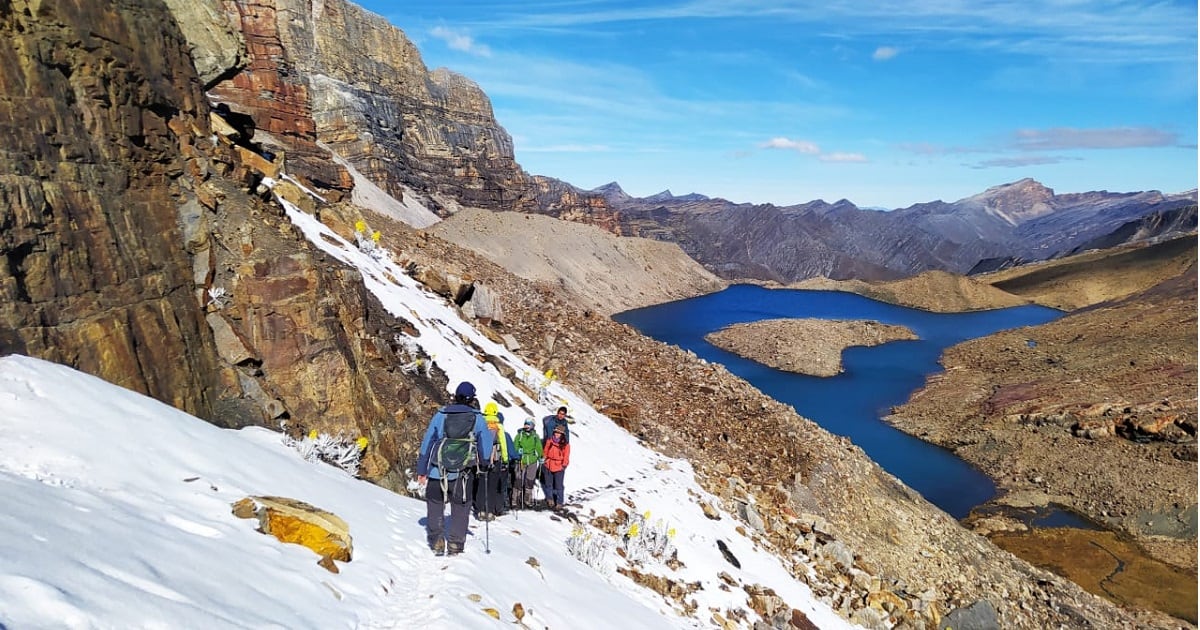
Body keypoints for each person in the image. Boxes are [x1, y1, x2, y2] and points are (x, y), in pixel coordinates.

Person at [416, 381, 493, 555]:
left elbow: (427, 442)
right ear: (472, 399)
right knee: (461, 506)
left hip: (438, 470)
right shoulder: (477, 418)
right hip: (463, 473)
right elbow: (486, 446)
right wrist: (485, 464)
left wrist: (422, 469)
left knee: (435, 503)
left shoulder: (441, 415)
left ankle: (436, 539)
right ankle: (455, 544)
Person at [475, 402, 510, 521]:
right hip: (495, 459)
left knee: (481, 484)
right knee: (492, 485)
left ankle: (480, 511)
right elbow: (504, 445)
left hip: (482, 459)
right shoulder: (498, 426)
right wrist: (505, 459)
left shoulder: (481, 424)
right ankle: (489, 511)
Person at [512, 418, 544, 510]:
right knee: (518, 480)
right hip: (521, 460)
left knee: (530, 481)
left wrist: (541, 457)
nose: (526, 426)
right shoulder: (519, 435)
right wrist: (518, 451)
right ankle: (515, 500)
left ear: (532, 425)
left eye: (529, 424)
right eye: (526, 424)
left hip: (532, 460)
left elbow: (538, 447)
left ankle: (527, 500)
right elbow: (515, 446)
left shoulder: (535, 436)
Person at [542, 424, 571, 510]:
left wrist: (564, 465)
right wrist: (544, 458)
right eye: (556, 432)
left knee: (559, 486)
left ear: (562, 434)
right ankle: (550, 499)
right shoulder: (550, 441)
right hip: (549, 464)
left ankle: (559, 502)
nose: (557, 434)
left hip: (559, 466)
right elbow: (545, 451)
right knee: (548, 484)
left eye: (559, 433)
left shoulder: (565, 444)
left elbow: (566, 456)